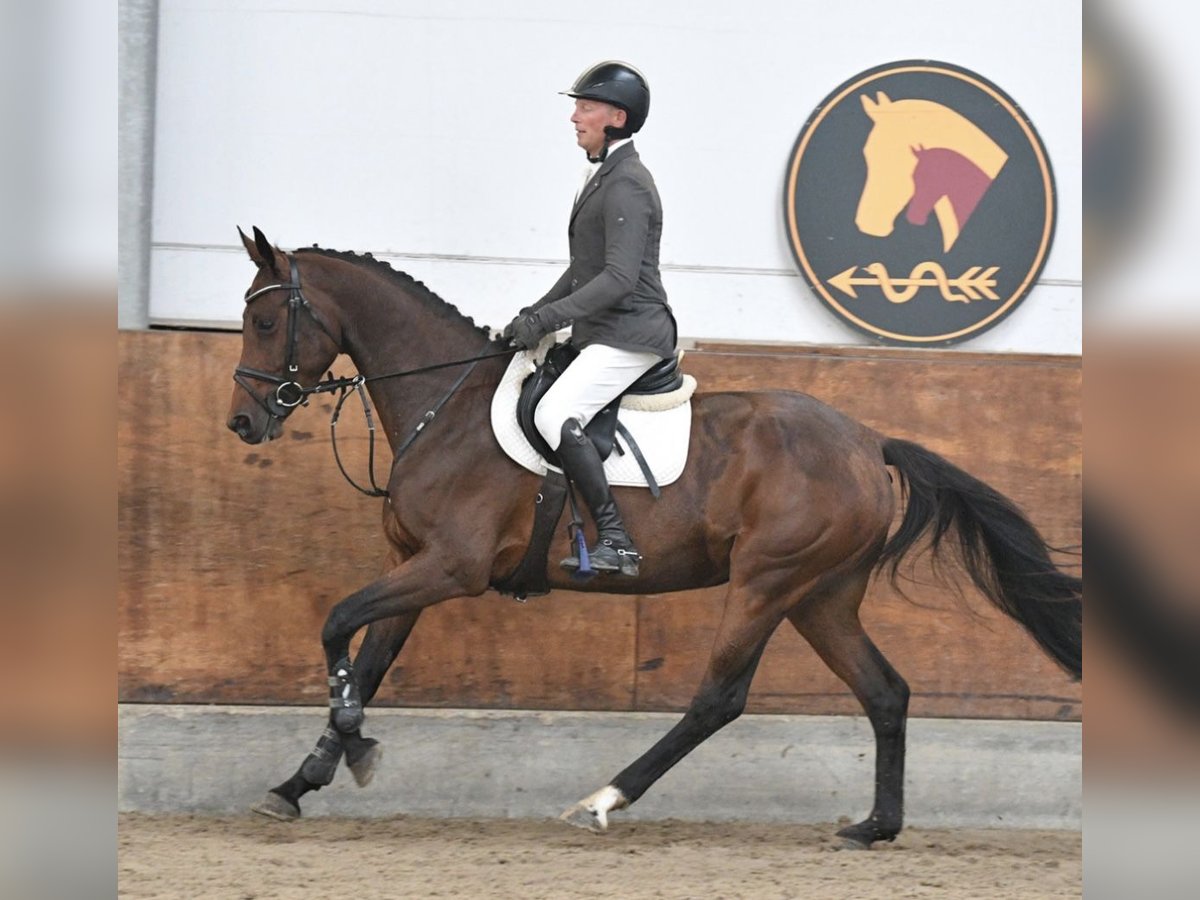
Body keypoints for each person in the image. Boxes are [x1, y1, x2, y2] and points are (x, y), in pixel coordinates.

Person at [503, 60, 677, 578]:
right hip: (605, 329)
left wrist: (551, 317)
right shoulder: (602, 175)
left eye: (585, 107)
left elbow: (619, 279)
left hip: (631, 332)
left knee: (554, 413)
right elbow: (584, 271)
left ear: (616, 118)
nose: (574, 117)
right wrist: (535, 315)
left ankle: (617, 538)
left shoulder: (628, 183)